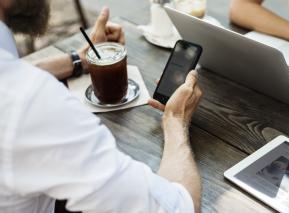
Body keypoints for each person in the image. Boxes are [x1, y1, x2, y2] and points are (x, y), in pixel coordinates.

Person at [0, 0, 203, 212]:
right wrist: (176, 120)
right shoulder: (31, 103)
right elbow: (179, 208)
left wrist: (78, 60)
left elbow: (12, 72)